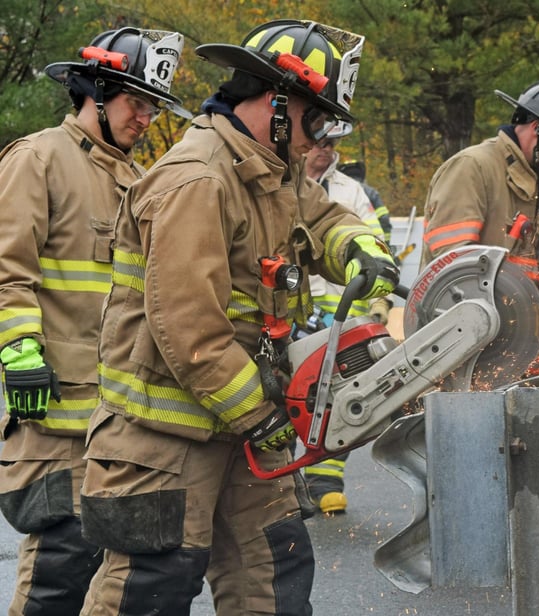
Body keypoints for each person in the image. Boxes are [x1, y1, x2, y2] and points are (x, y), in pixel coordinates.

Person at [76, 20, 398, 614]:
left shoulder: (269, 171)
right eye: (315, 119)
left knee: (273, 574)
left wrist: (359, 244)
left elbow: (323, 218)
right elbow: (187, 324)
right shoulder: (196, 180)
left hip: (243, 425)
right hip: (164, 439)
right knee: (152, 586)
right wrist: (257, 413)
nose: (318, 138)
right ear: (276, 102)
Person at [0, 27, 188, 615]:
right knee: (60, 559)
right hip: (54, 408)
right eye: (137, 101)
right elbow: (8, 267)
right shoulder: (38, 160)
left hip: (116, 414)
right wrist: (19, 349)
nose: (147, 117)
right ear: (95, 92)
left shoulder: (136, 180)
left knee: (108, 565)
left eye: (153, 105)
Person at [422, 80, 539, 320]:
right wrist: (518, 298)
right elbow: (457, 266)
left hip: (515, 331)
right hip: (459, 331)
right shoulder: (472, 168)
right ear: (537, 128)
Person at [301, 122, 392, 514]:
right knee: (289, 400)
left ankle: (324, 481)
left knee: (340, 399)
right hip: (296, 308)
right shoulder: (278, 182)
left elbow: (376, 244)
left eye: (332, 144)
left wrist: (380, 302)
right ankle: (287, 482)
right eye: (319, 142)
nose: (325, 150)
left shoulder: (350, 192)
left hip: (343, 310)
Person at [340, 158, 391, 244]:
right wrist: (386, 244)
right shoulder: (371, 192)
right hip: (372, 243)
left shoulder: (337, 192)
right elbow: (384, 218)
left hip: (345, 243)